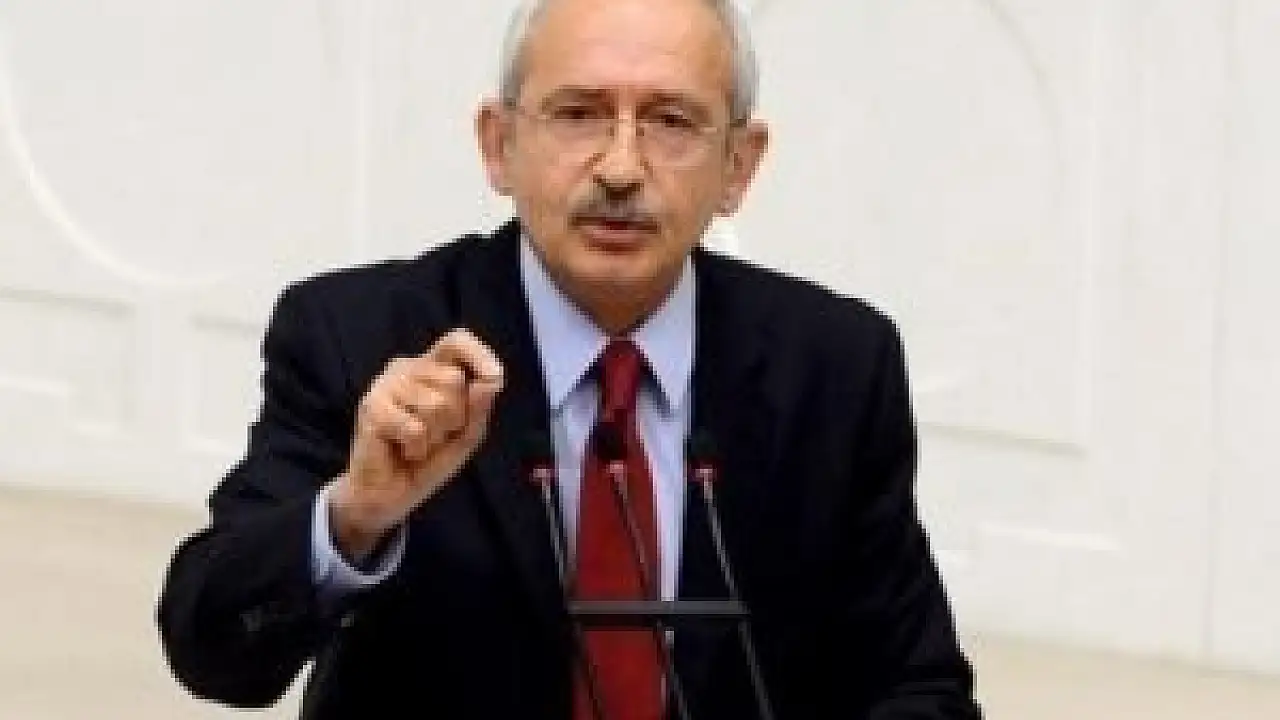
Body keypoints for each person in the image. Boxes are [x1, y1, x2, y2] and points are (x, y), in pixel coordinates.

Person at [156, 0, 982, 717]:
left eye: (670, 122)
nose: (621, 168)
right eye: (579, 114)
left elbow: (918, 688)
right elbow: (213, 650)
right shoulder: (361, 338)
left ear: (739, 165)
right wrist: (355, 514)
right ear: (498, 144)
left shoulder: (835, 368)